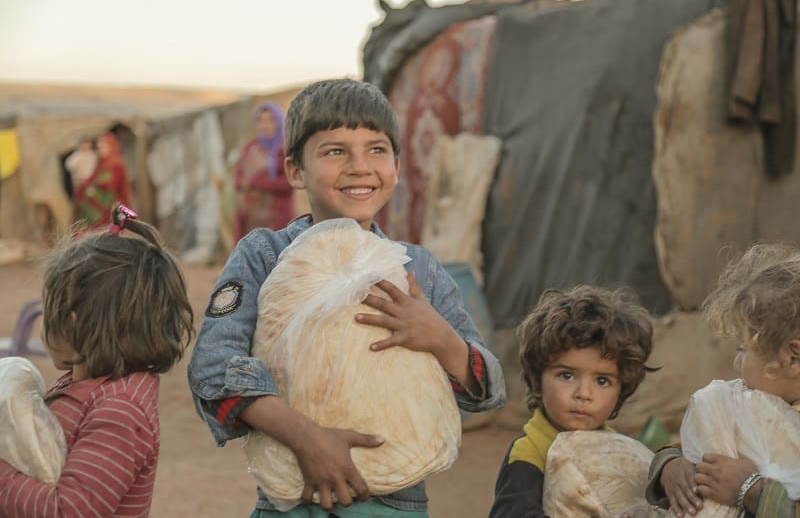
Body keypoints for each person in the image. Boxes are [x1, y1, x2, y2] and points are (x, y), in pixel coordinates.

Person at [187, 78, 506, 517]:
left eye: (376, 149)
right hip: (292, 500)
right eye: (335, 151)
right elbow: (212, 369)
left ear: (396, 163)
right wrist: (306, 438)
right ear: (295, 170)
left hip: (396, 502)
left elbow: (485, 391)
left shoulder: (419, 270)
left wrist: (440, 338)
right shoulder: (265, 257)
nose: (360, 166)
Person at [0, 204, 194, 517]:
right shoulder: (87, 385)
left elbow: (70, 511)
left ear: (73, 324)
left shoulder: (119, 410)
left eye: (49, 311)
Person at [646, 243, 800, 518]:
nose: (736, 363)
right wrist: (671, 467)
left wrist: (750, 489)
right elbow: (701, 443)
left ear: (792, 358)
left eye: (743, 349)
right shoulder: (749, 407)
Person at [489, 285, 656, 517]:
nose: (583, 393)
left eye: (602, 381)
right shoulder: (529, 453)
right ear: (537, 382)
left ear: (621, 391)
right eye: (566, 375)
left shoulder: (616, 452)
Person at [233, 102, 295, 242]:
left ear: (279, 122)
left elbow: (288, 183)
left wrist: (257, 182)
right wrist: (242, 183)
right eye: (261, 120)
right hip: (249, 218)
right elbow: (238, 177)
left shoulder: (285, 149)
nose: (265, 125)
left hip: (276, 218)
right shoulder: (250, 147)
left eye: (270, 120)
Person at [73, 132, 132, 230]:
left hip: (113, 207)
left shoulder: (117, 165)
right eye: (99, 146)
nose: (101, 149)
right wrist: (84, 184)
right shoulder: (99, 164)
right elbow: (92, 179)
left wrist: (94, 185)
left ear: (111, 146)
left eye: (104, 146)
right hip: (100, 208)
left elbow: (111, 185)